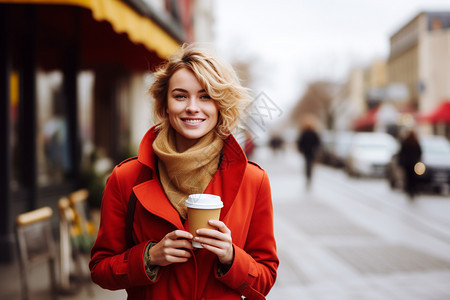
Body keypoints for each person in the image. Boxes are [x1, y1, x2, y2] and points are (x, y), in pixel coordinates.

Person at [89, 44, 279, 299]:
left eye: (205, 96)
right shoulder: (125, 178)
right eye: (180, 96)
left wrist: (231, 256)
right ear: (165, 105)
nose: (192, 107)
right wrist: (150, 256)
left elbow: (264, 281)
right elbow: (100, 270)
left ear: (220, 106)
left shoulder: (253, 181)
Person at [398, 129, 422, 199]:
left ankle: (410, 190)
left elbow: (402, 153)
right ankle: (412, 190)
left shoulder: (407, 142)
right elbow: (419, 152)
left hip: (408, 164)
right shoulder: (414, 142)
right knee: (413, 177)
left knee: (409, 177)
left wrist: (402, 162)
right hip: (413, 163)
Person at [296, 121, 321, 188]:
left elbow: (300, 143)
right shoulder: (313, 133)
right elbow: (318, 143)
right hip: (312, 152)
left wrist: (301, 149)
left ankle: (308, 177)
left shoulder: (304, 133)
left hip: (306, 152)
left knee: (307, 165)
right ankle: (309, 177)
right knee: (310, 165)